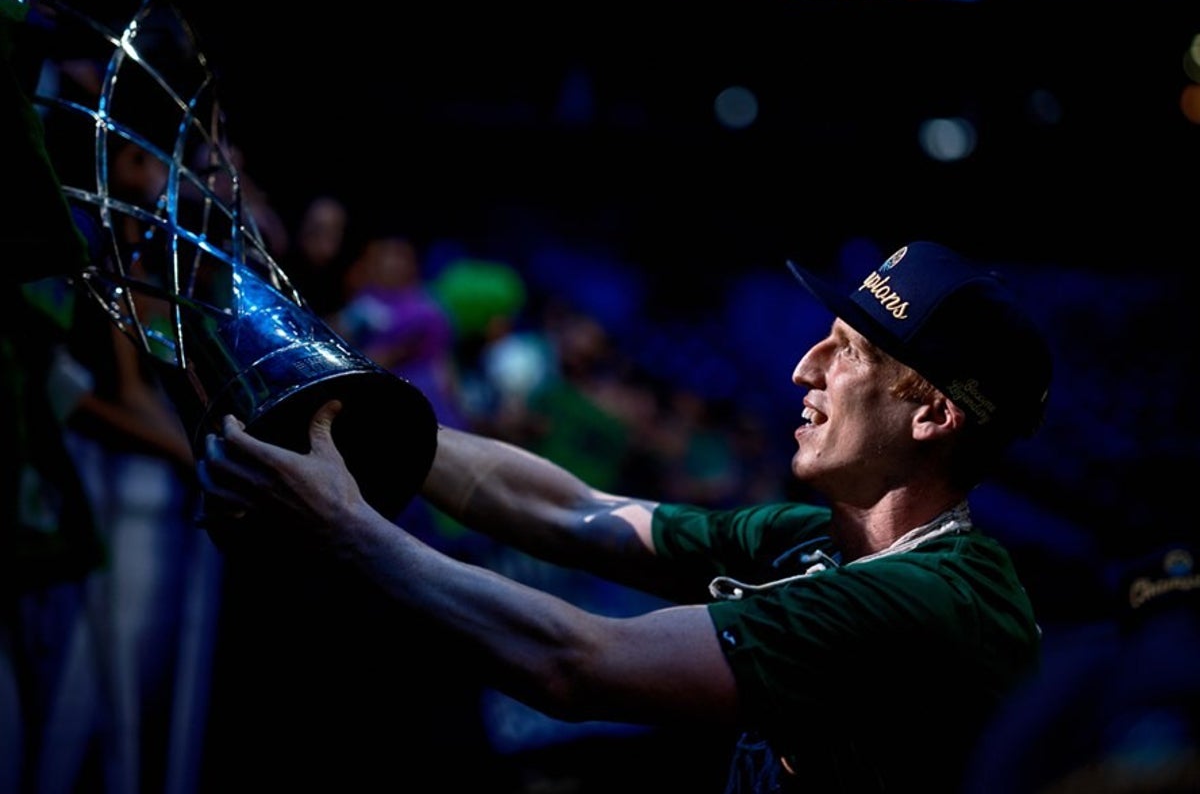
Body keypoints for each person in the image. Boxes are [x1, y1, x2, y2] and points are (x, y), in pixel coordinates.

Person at [195, 240, 1055, 793]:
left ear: (933, 415)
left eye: (849, 352)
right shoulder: (816, 539)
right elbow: (574, 510)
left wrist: (348, 528)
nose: (805, 368)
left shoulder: (935, 602)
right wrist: (343, 401)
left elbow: (577, 661)